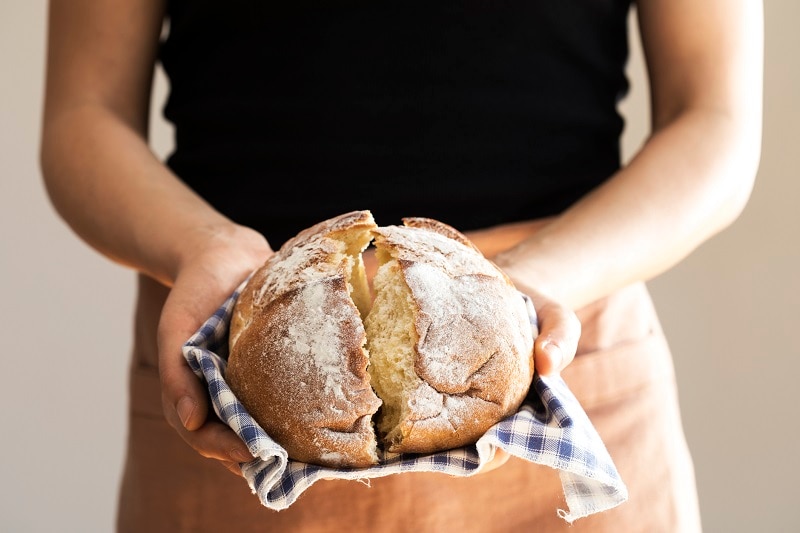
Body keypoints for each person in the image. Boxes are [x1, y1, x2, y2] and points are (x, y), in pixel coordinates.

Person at [40, 0, 762, 531]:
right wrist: (200, 247)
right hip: (242, 351)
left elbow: (715, 120)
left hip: (560, 347)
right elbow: (83, 115)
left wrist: (530, 288)